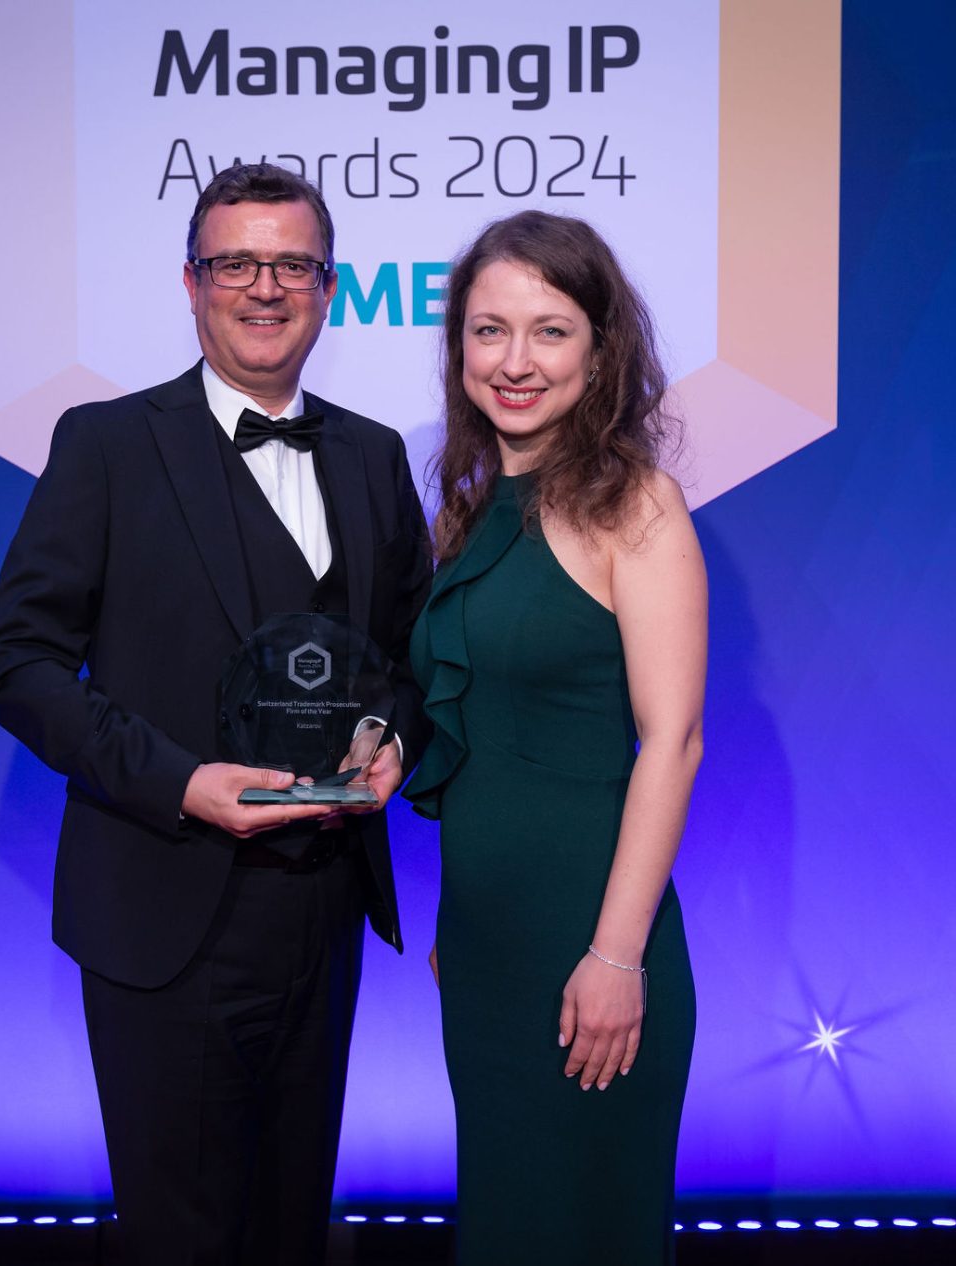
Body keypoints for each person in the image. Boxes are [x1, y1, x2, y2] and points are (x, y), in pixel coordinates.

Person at [0, 163, 433, 1266]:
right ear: (190, 283)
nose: (263, 288)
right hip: (161, 912)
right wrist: (180, 780)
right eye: (236, 263)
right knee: (182, 1242)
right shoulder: (107, 444)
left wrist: (395, 737)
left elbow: (411, 658)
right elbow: (16, 663)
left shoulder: (373, 456)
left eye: (291, 265)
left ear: (330, 287)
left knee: (289, 1233)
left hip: (321, 916)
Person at [403, 210, 706, 1264]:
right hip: (484, 953)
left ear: (601, 347)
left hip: (591, 952)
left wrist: (616, 957)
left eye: (549, 330)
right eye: (489, 331)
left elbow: (672, 744)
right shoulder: (471, 507)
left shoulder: (638, 507)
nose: (514, 361)